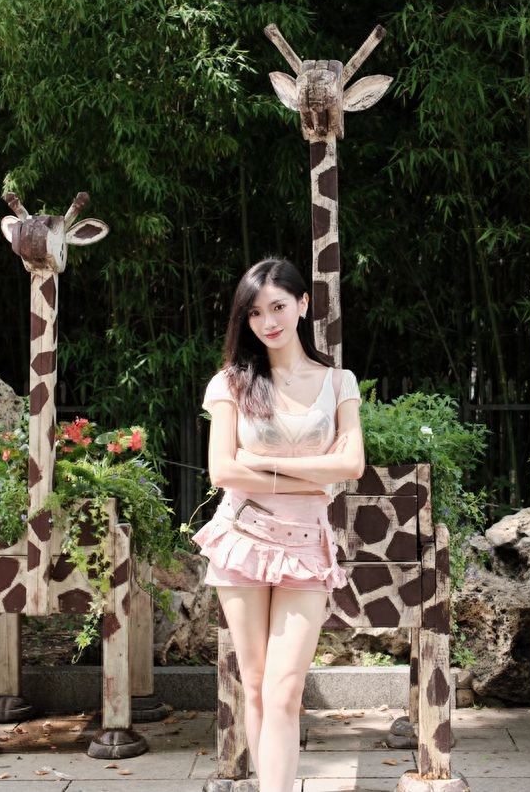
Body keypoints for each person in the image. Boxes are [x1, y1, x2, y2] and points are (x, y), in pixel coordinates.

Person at [192, 257, 365, 792]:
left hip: (307, 546)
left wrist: (265, 464)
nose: (268, 322)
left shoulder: (338, 381)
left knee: (286, 690)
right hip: (242, 538)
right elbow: (222, 471)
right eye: (255, 312)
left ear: (302, 305)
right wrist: (313, 477)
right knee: (257, 686)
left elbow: (351, 464)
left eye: (278, 307)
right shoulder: (230, 383)